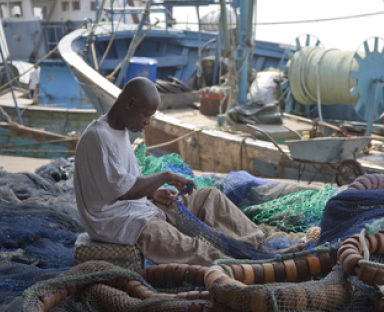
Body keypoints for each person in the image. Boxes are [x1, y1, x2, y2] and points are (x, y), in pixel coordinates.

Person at [74, 77, 302, 266]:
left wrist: (155, 194)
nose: (148, 123)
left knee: (209, 198)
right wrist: (165, 177)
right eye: (146, 116)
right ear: (129, 103)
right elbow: (122, 192)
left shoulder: (120, 131)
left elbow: (119, 184)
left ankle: (258, 247)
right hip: (121, 223)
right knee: (196, 248)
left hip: (139, 208)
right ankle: (251, 267)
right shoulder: (98, 137)